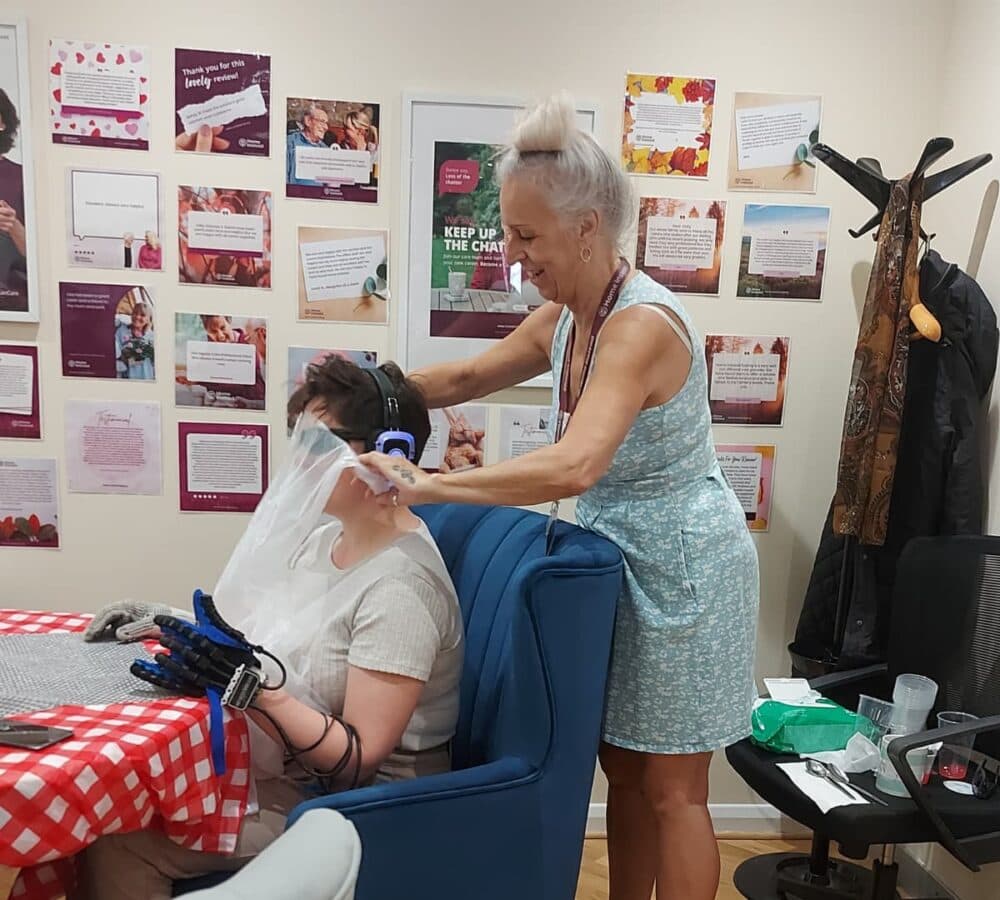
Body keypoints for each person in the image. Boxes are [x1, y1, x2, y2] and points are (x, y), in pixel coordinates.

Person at [361, 93, 759, 900]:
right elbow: (465, 376)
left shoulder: (640, 327)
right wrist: (366, 392)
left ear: (587, 228)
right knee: (622, 771)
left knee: (674, 789)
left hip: (687, 571)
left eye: (527, 235)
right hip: (620, 560)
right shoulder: (570, 318)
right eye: (509, 232)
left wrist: (434, 486)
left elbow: (576, 465)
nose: (512, 253)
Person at [76, 358, 464, 900]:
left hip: (356, 806)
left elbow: (355, 762)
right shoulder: (326, 540)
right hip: (288, 770)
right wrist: (169, 623)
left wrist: (254, 690)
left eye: (320, 445)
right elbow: (261, 636)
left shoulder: (401, 587)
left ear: (390, 456)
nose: (301, 461)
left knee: (121, 840)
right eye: (299, 440)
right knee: (115, 803)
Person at [0, 88, 28, 310]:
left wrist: (13, 226)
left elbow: (44, 258)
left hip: (10, 304)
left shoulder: (23, 177)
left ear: (2, 123)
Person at [286, 103, 331, 186]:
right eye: (322, 122)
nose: (326, 127)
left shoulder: (326, 149)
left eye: (326, 123)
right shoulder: (290, 143)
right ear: (308, 121)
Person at [115, 300, 155, 380]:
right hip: (127, 377)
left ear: (148, 319)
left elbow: (155, 362)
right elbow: (116, 354)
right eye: (135, 313)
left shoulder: (152, 337)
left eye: (142, 315)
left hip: (146, 377)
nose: (137, 317)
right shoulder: (122, 330)